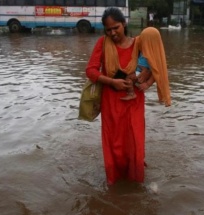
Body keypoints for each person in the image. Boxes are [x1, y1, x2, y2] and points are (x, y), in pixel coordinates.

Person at [85, 7, 171, 185]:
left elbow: (157, 65)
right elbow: (91, 71)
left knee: (134, 141)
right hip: (111, 102)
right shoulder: (102, 43)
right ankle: (115, 180)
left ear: (124, 23)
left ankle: (135, 179)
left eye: (116, 27)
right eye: (108, 29)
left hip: (134, 103)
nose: (113, 32)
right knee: (114, 143)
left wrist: (147, 84)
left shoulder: (140, 43)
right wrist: (111, 81)